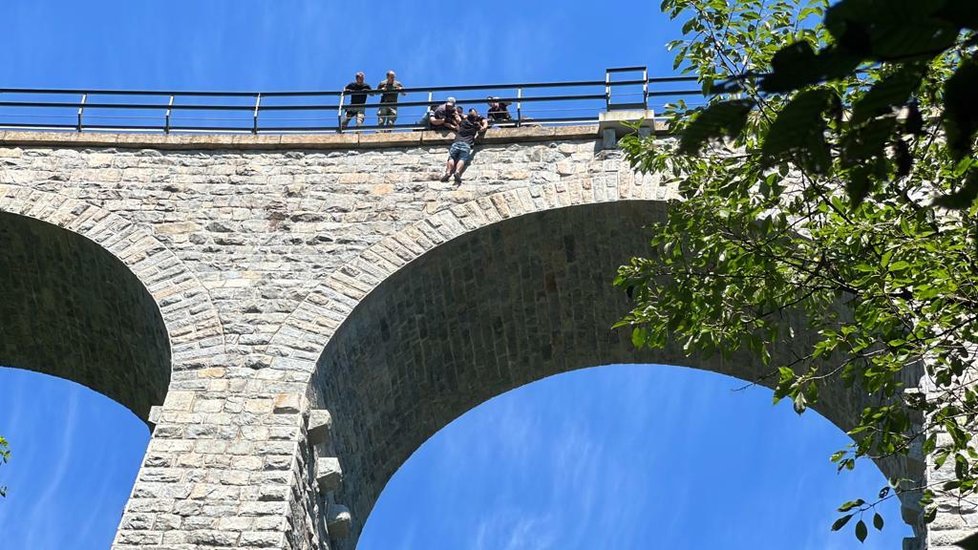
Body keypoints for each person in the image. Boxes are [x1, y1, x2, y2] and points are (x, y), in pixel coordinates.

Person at [441, 109, 489, 185]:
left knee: (452, 157)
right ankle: (457, 172)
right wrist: (481, 126)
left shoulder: (462, 122)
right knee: (462, 158)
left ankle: (448, 172)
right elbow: (482, 130)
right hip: (466, 144)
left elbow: (457, 119)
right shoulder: (475, 125)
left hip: (456, 142)